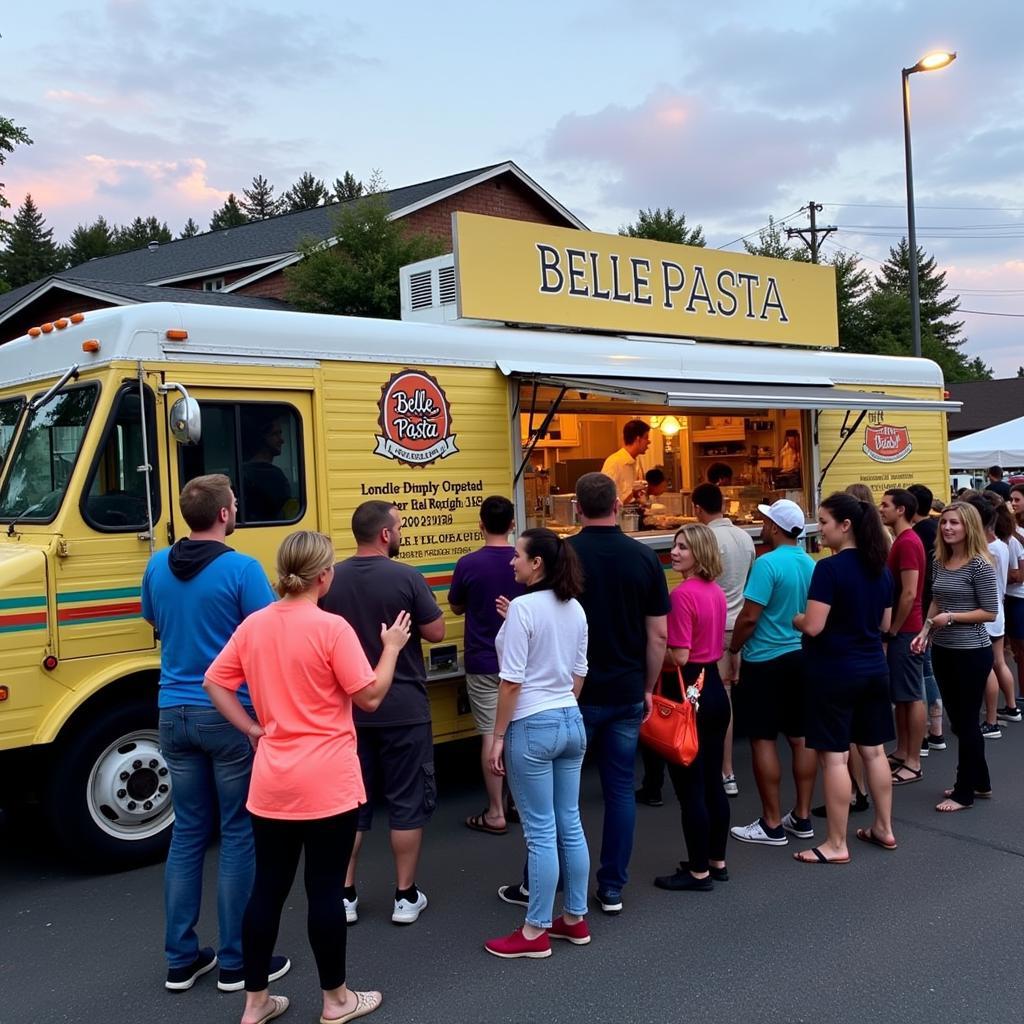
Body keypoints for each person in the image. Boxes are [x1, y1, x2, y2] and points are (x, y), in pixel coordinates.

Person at [203, 531, 411, 1024]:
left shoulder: (254, 625)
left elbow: (215, 682)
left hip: (271, 780)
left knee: (267, 891)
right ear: (324, 576)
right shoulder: (331, 628)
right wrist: (392, 647)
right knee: (324, 891)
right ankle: (336, 1000)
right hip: (328, 781)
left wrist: (253, 728)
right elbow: (371, 696)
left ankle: (255, 1004)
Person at [141, 474, 289, 994]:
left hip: (172, 711)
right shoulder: (242, 569)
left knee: (185, 835)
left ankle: (181, 959)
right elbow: (269, 634)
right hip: (228, 713)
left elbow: (153, 619)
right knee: (237, 835)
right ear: (225, 513)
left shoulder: (157, 564)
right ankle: (236, 962)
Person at [500, 472, 669, 915]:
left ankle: (537, 884)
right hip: (627, 689)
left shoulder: (563, 555)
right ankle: (611, 887)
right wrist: (648, 688)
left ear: (577, 508)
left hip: (569, 694)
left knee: (555, 801)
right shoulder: (644, 557)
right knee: (618, 790)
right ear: (618, 505)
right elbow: (658, 636)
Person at [320, 501, 445, 925]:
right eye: (401, 526)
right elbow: (436, 631)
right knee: (407, 802)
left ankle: (345, 894)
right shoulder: (407, 577)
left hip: (349, 711)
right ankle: (405, 897)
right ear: (386, 535)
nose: (403, 531)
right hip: (404, 707)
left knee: (353, 804)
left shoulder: (331, 579)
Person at [484, 529, 590, 959]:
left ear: (537, 563)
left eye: (518, 556)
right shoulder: (575, 608)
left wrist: (497, 737)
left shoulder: (525, 609)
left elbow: (511, 683)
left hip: (532, 724)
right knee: (570, 822)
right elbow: (578, 673)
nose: (512, 562)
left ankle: (534, 931)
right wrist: (563, 705)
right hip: (570, 718)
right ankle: (575, 917)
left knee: (541, 832)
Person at [793, 493, 897, 863]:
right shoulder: (880, 568)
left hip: (834, 671)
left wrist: (798, 620)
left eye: (823, 522)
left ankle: (836, 843)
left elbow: (815, 626)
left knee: (834, 759)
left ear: (845, 525)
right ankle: (884, 827)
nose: (819, 529)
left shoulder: (830, 569)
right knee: (873, 751)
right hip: (873, 668)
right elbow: (885, 624)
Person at [726, 499, 817, 847]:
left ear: (775, 527)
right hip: (801, 655)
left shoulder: (766, 564)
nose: (761, 524)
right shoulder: (809, 563)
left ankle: (772, 821)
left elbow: (749, 616)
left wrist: (734, 649)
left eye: (764, 520)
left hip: (765, 659)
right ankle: (803, 816)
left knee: (763, 738)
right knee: (801, 736)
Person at [652, 524, 731, 892]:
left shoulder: (682, 595)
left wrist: (651, 649)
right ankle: (716, 860)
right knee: (712, 780)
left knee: (689, 789)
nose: (676, 552)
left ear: (700, 552)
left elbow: (679, 656)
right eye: (675, 545)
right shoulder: (714, 591)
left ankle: (697, 871)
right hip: (714, 686)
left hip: (690, 694)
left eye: (683, 547)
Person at [911, 502, 999, 812]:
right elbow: (937, 599)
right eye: (945, 522)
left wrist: (950, 618)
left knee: (965, 722)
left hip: (972, 652)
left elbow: (990, 612)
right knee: (961, 722)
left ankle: (965, 791)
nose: (947, 528)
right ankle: (981, 781)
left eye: (955, 523)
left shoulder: (979, 565)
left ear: (969, 527)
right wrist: (924, 631)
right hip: (943, 650)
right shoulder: (940, 559)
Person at [447, 496, 525, 835]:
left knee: (491, 737)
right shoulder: (524, 563)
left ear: (481, 524)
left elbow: (456, 607)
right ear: (512, 525)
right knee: (518, 734)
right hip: (520, 662)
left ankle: (495, 811)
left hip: (482, 660)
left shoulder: (468, 564)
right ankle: (520, 805)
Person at [693, 482, 755, 797]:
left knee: (712, 699)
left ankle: (721, 769)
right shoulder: (745, 537)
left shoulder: (706, 539)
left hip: (712, 627)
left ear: (697, 509)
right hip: (739, 624)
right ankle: (725, 769)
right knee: (726, 695)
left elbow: (704, 584)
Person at [879, 489, 927, 786]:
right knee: (903, 695)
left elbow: (909, 592)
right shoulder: (903, 540)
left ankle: (913, 761)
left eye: (885, 505)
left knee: (911, 695)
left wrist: (894, 628)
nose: (880, 509)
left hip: (907, 628)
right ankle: (903, 750)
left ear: (901, 510)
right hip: (905, 626)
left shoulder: (908, 542)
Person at [962, 496, 1014, 740]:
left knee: (987, 668)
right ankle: (1011, 707)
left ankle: (991, 720)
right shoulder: (1001, 544)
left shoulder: (985, 550)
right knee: (998, 663)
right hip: (997, 610)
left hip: (986, 613)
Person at [907, 483, 946, 753]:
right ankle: (937, 731)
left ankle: (923, 738)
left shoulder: (916, 535)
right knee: (927, 669)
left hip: (924, 608)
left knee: (920, 671)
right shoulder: (935, 530)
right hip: (936, 605)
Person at [241, 412, 293, 522]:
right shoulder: (275, 476)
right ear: (262, 438)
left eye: (280, 434)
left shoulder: (242, 471)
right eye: (275, 434)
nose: (282, 440)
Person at [601, 419, 651, 504]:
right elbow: (605, 499)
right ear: (638, 439)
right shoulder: (614, 463)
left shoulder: (634, 462)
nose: (649, 442)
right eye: (646, 438)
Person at [1005, 483, 1024, 684]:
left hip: (1019, 596)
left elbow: (1019, 575)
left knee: (1021, 650)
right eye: (1011, 500)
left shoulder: (1015, 532)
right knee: (1018, 653)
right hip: (1013, 596)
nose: (1013, 504)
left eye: (1017, 499)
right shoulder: (1014, 528)